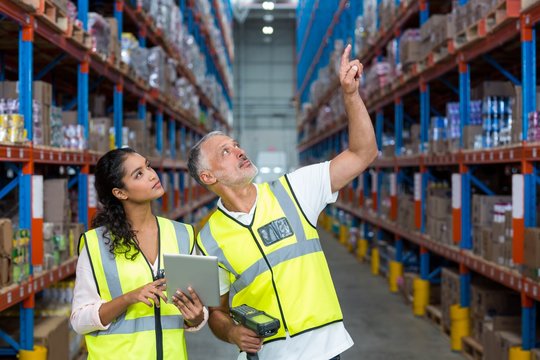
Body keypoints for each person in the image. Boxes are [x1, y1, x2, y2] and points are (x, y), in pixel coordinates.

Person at [187, 44, 377, 360]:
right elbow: (215, 312)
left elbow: (362, 153)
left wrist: (351, 95)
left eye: (235, 145)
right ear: (208, 178)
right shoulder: (208, 240)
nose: (238, 151)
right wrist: (232, 332)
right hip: (267, 355)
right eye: (225, 152)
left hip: (324, 350)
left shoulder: (294, 190)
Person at [71, 148, 207, 360]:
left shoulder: (183, 235)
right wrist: (128, 298)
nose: (152, 175)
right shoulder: (96, 244)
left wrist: (197, 317)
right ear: (120, 193)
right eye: (138, 174)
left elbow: (198, 310)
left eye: (148, 166)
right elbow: (79, 320)